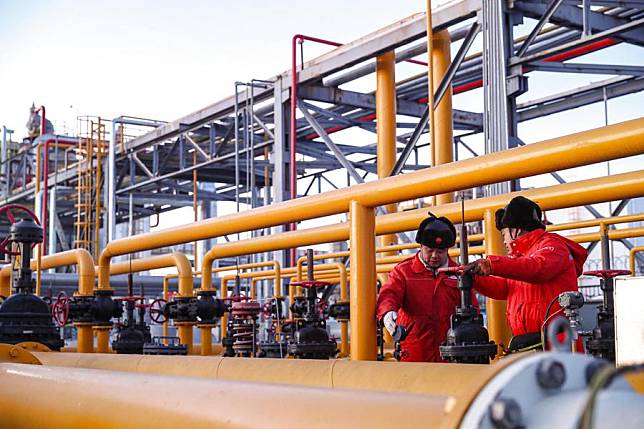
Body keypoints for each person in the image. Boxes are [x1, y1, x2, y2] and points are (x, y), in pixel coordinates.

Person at [464, 196, 588, 352]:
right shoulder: (520, 259)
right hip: (532, 345)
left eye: (504, 235)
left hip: (557, 346)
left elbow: (538, 268)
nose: (503, 241)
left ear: (516, 230)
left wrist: (492, 264)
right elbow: (504, 288)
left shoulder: (553, 246)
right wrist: (473, 279)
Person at [376, 214, 478, 362]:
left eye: (441, 251)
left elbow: (471, 308)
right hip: (414, 357)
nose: (435, 255)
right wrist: (387, 313)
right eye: (430, 250)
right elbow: (389, 294)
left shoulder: (458, 273)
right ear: (421, 247)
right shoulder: (404, 272)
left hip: (450, 357)